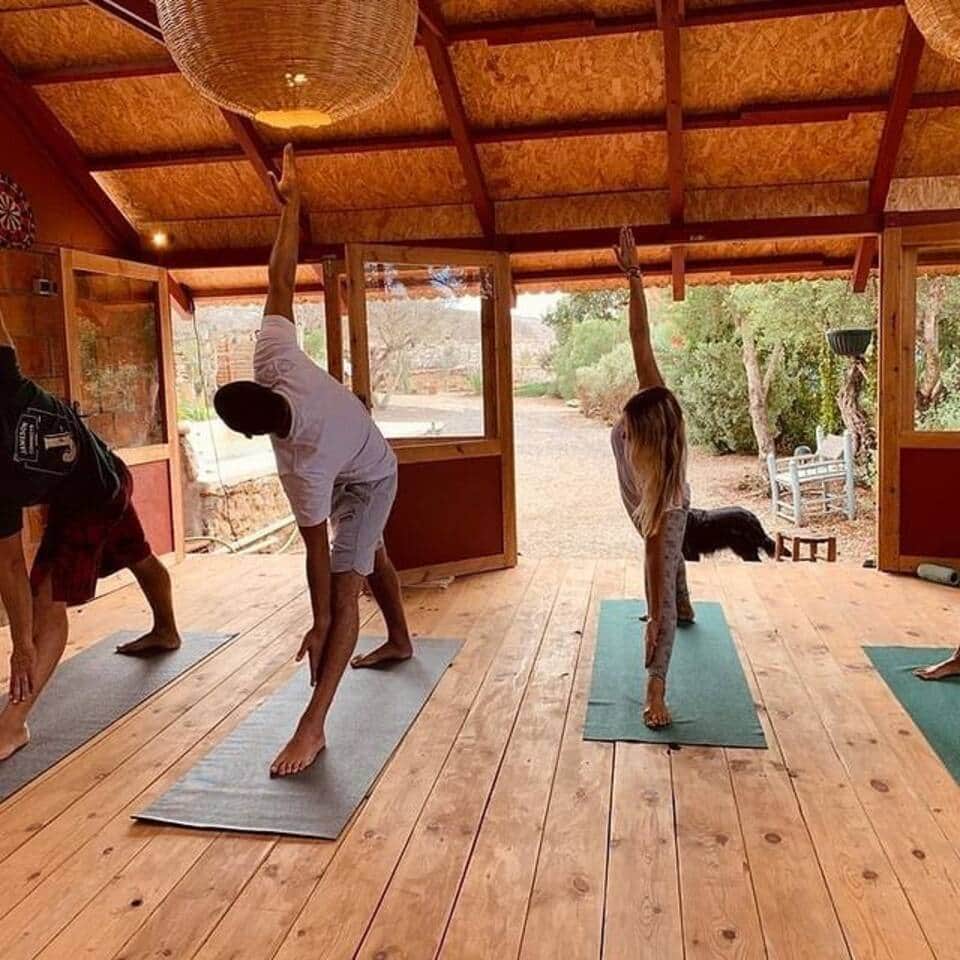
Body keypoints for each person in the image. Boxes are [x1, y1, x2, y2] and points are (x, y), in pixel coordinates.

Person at [213, 144, 412, 778]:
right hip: (361, 453)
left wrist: (323, 622)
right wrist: (290, 204)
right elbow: (279, 277)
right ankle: (401, 640)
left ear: (253, 433)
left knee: (347, 586)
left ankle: (314, 725)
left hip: (372, 476)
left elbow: (316, 555)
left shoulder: (303, 464)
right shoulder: (276, 361)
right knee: (367, 552)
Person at [0, 304, 181, 762]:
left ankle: (13, 725)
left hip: (88, 499)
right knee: (138, 555)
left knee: (47, 601)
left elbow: (11, 566)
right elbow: (8, 561)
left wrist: (23, 645)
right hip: (108, 472)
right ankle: (167, 631)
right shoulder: (3, 378)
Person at [610, 226, 693, 729]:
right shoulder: (656, 397)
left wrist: (655, 615)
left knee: (661, 591)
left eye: (628, 429)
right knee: (671, 566)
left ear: (647, 441)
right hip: (640, 501)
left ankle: (656, 687)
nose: (621, 427)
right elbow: (639, 336)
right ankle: (683, 600)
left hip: (661, 512)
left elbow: (651, 551)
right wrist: (635, 276)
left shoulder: (665, 497)